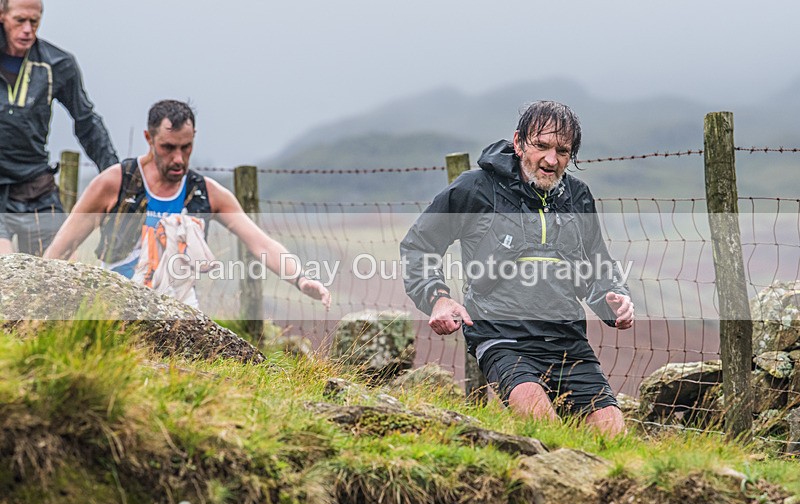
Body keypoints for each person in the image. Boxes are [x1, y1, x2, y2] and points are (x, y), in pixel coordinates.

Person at [400, 101, 634, 436]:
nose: (551, 160)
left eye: (563, 151)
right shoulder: (476, 188)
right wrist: (437, 299)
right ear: (519, 142)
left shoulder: (578, 197)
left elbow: (597, 267)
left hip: (567, 340)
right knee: (545, 430)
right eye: (541, 146)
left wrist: (614, 302)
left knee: (613, 438)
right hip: (503, 337)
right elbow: (419, 245)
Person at [44, 99, 331, 310]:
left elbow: (262, 244)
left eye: (186, 147)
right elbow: (61, 248)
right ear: (149, 139)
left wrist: (301, 280)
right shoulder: (115, 183)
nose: (178, 159)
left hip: (181, 309)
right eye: (168, 148)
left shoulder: (206, 192)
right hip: (117, 304)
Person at [0, 0, 118, 255]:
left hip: (35, 185)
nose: (27, 29)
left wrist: (115, 175)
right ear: (2, 15)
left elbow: (86, 122)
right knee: (5, 267)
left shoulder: (57, 64)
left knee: (57, 267)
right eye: (20, 20)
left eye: (34, 21)